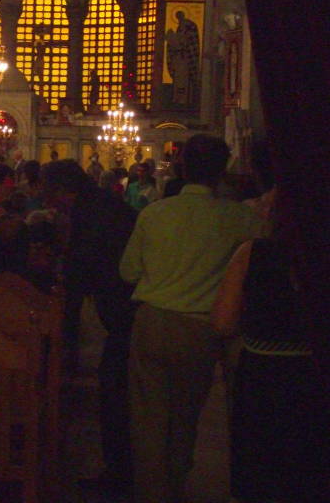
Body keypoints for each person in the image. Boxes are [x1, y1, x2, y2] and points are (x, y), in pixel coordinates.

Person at [119, 134, 263, 503]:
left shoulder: (155, 213)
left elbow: (128, 272)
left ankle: (150, 494)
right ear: (224, 170)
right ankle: (176, 487)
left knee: (147, 421)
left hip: (150, 323)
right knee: (184, 419)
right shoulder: (241, 218)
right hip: (200, 330)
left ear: (181, 165)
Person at [212, 213, 329, 502]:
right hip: (316, 372)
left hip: (264, 373)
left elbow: (223, 321)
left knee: (262, 470)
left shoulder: (254, 252)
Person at [42, 159, 138, 493]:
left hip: (125, 310)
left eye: (49, 194)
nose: (48, 202)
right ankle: (121, 472)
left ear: (62, 191)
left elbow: (84, 265)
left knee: (114, 395)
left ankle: (120, 477)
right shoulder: (101, 204)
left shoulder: (93, 212)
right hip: (124, 308)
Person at [165, 10, 200, 106]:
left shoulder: (190, 26)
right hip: (178, 59)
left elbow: (190, 43)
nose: (179, 19)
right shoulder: (179, 28)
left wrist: (181, 44)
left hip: (185, 59)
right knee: (178, 80)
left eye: (180, 16)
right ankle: (177, 98)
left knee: (184, 80)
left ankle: (184, 100)